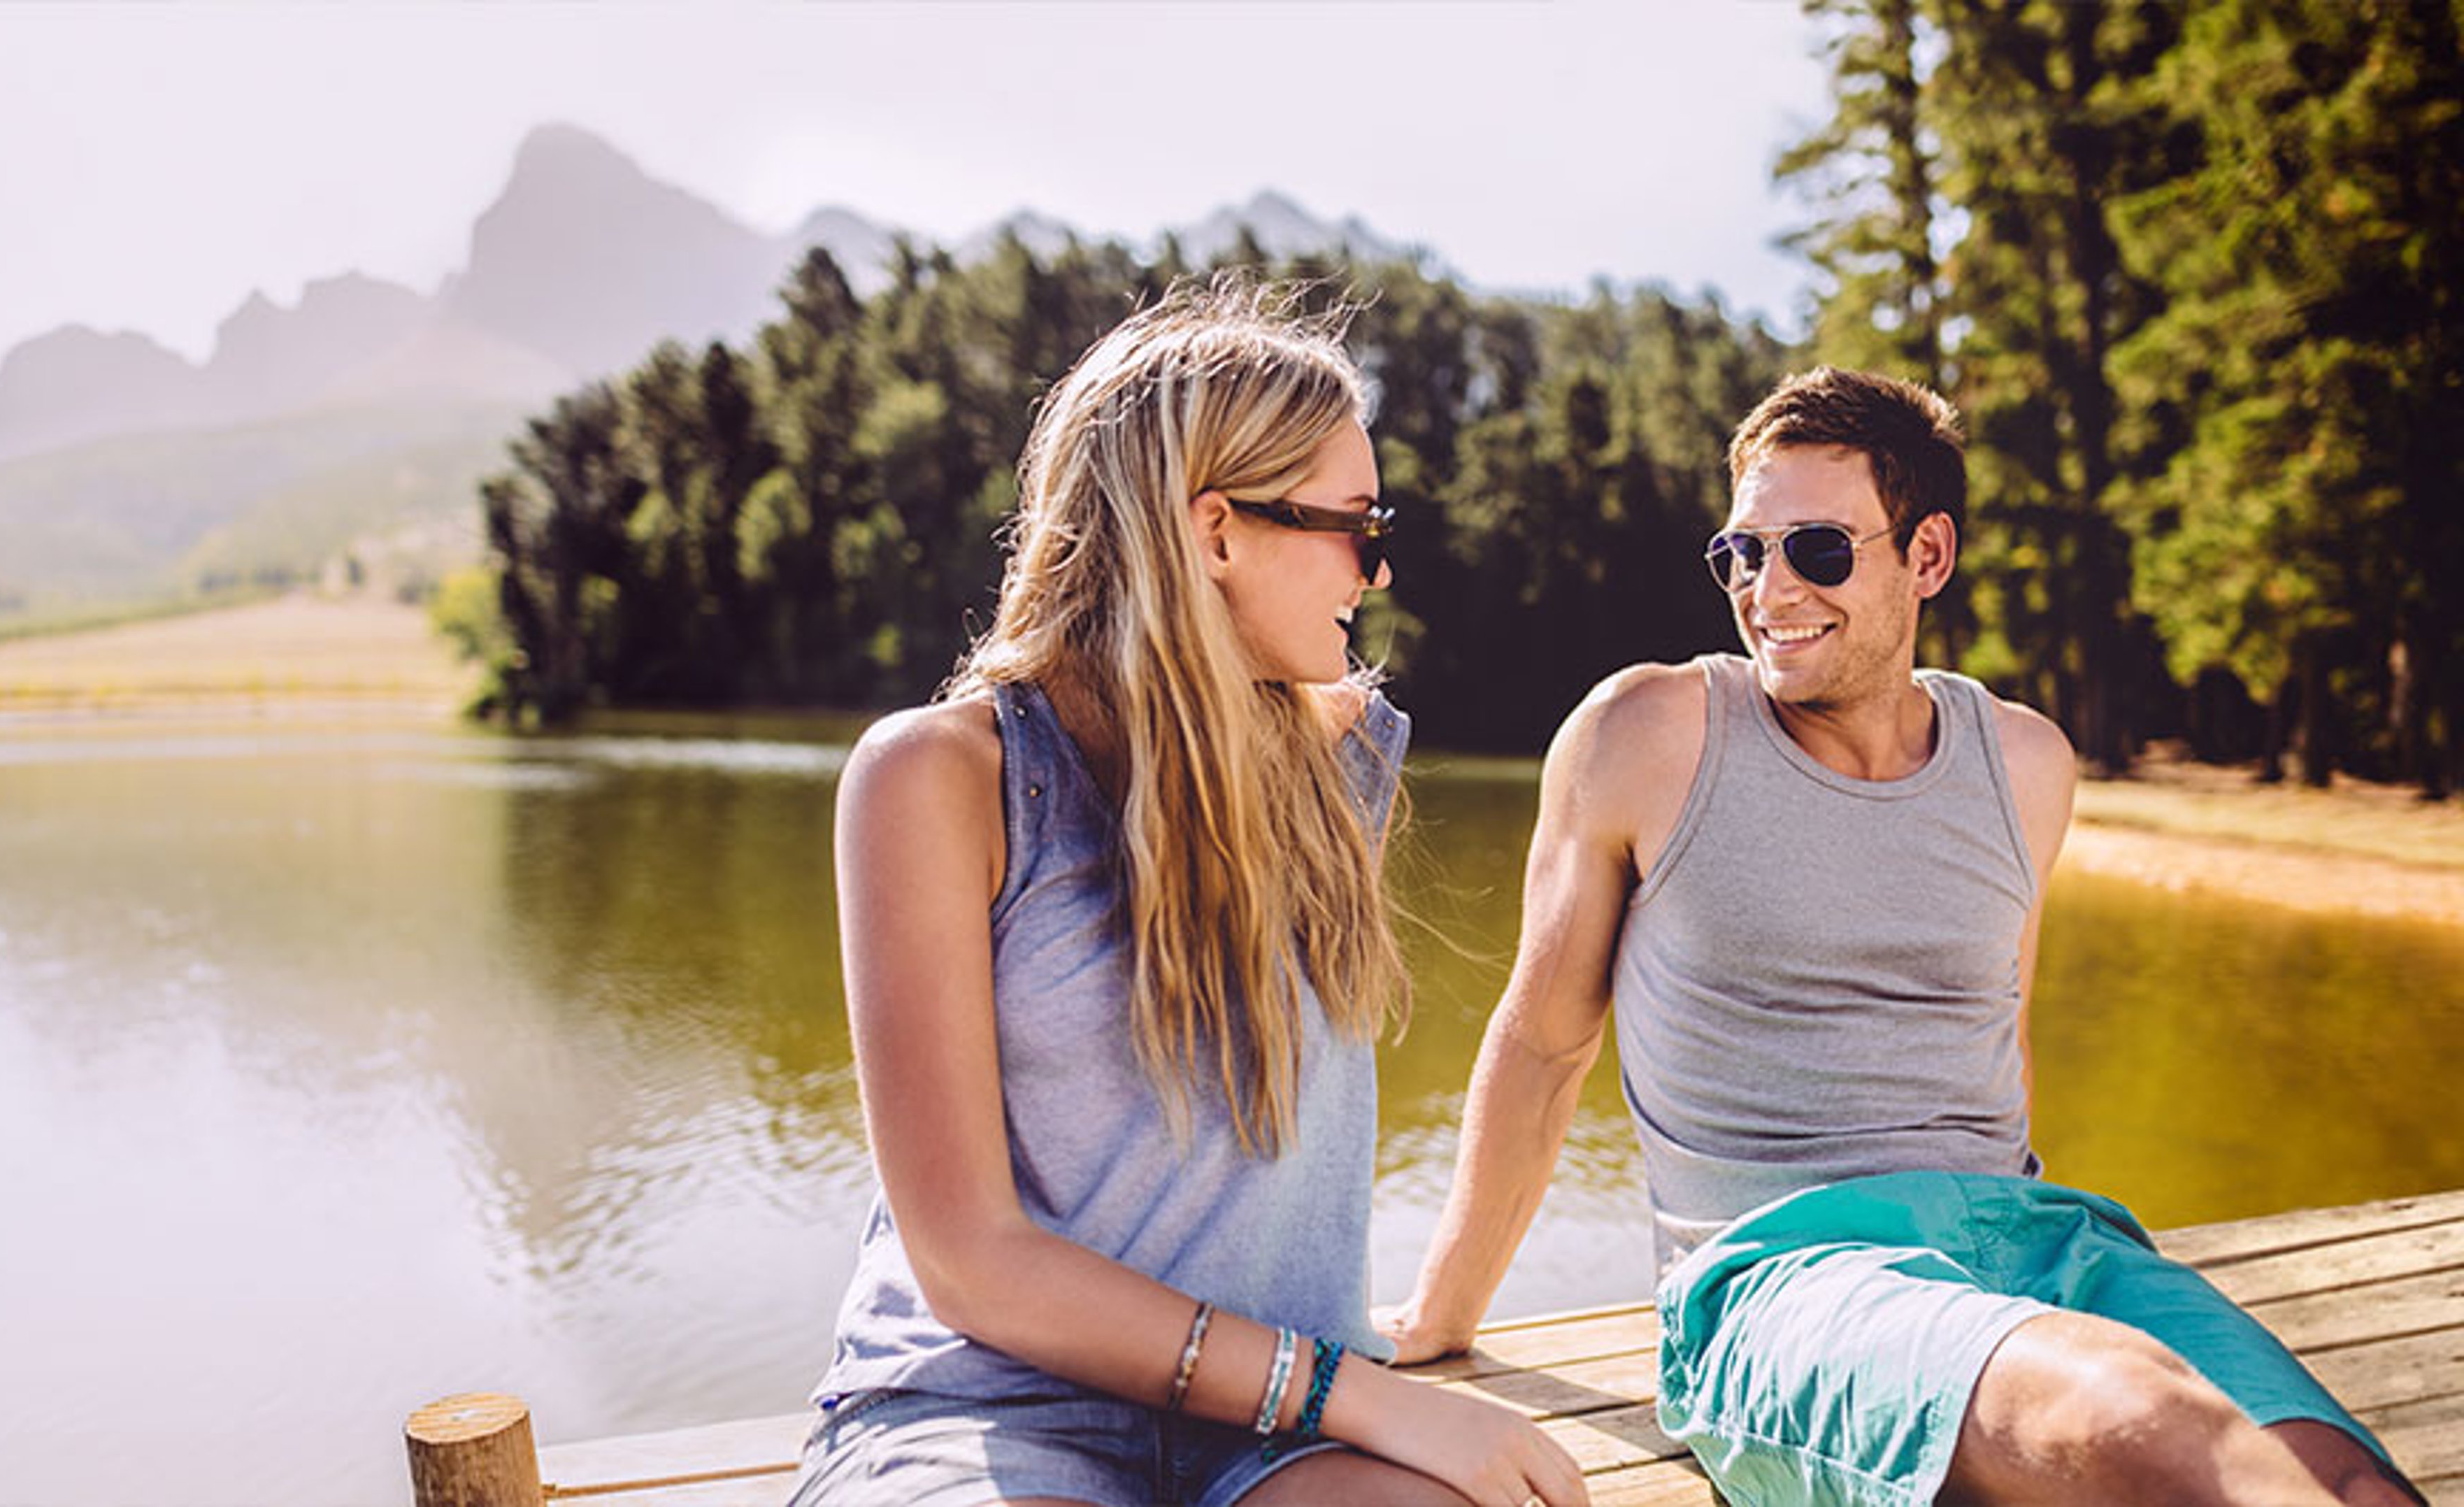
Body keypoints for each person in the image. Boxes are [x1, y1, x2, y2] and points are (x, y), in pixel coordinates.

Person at [1379, 366, 2419, 1506]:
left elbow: (1999, 1042)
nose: (1769, 590)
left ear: (1927, 556)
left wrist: (2033, 1289)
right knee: (2135, 1417)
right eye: (1742, 553)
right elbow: (1543, 1046)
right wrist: (1442, 1317)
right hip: (1781, 1278)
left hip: (2042, 1246)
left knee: (2349, 1480)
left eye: (1816, 550)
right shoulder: (1650, 733)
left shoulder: (2026, 765)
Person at [791, 279, 1586, 1507]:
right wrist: (1362, 1393)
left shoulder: (1346, 762)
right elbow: (971, 1262)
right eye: (1357, 526)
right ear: (1214, 531)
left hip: (1281, 1448)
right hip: (989, 1413)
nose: (1374, 573)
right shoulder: (938, 781)